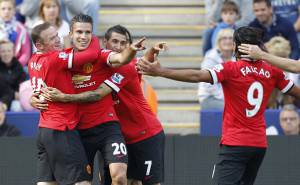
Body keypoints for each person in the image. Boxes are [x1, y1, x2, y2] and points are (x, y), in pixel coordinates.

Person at [137, 26, 300, 185]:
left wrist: (161, 71)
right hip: (259, 144)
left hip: (236, 142)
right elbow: (296, 91)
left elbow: (196, 75)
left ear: (236, 46)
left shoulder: (231, 68)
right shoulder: (273, 72)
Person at [41, 25, 165, 185]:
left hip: (145, 134)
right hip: (117, 135)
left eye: (123, 43)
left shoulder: (125, 67)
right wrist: (34, 98)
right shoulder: (92, 63)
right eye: (114, 42)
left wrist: (64, 97)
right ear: (105, 42)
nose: (118, 47)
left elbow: (98, 94)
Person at [29, 21, 101, 185]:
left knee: (46, 183)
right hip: (62, 128)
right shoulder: (54, 59)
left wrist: (32, 98)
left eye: (57, 35)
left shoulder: (33, 60)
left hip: (44, 130)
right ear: (39, 45)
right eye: (52, 38)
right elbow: (91, 55)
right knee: (82, 181)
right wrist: (92, 36)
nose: (58, 39)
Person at [198, 28, 235, 110]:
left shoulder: (237, 58)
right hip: (210, 97)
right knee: (233, 109)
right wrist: (227, 98)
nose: (228, 41)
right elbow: (208, 85)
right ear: (219, 41)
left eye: (230, 38)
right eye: (224, 38)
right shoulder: (211, 57)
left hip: (230, 97)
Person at [18, 0, 99, 34]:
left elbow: (79, 9)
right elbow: (24, 11)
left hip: (62, 26)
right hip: (38, 26)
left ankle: (91, 40)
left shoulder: (65, 26)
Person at [0, 0, 31, 66]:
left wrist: (16, 67)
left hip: (17, 66)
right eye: (3, 9)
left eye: (9, 9)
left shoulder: (21, 29)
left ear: (14, 11)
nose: (6, 11)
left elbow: (26, 53)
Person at [0, 40, 26, 110]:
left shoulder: (18, 66)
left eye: (9, 51)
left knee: (17, 107)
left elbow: (20, 86)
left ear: (13, 53)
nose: (6, 54)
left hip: (13, 99)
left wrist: (15, 94)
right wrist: (13, 94)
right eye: (3, 51)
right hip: (2, 96)